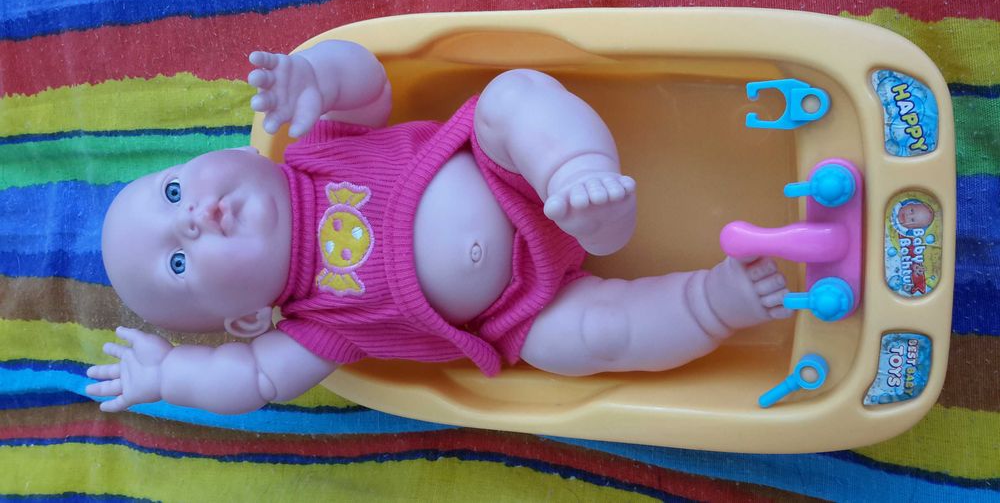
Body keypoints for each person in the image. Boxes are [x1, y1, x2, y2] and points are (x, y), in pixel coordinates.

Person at [89, 41, 791, 414]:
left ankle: (583, 179)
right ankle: (712, 302)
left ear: (239, 155)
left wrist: (318, 75)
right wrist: (169, 375)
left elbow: (371, 84)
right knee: (592, 338)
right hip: (522, 307)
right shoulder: (313, 327)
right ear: (247, 319)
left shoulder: (315, 149)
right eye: (179, 262)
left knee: (513, 98)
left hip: (506, 169)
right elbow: (250, 379)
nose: (191, 218)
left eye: (173, 191)